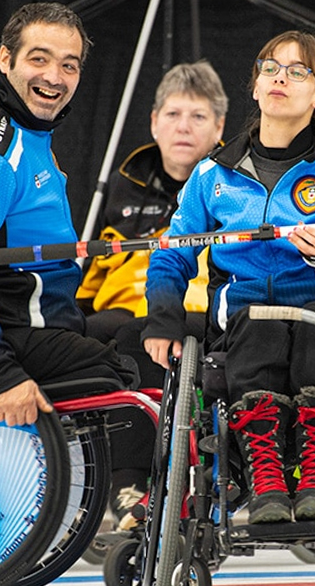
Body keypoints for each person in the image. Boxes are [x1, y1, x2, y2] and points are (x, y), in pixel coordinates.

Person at [141, 30, 315, 524]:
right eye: (271, 68)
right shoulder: (211, 175)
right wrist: (164, 318)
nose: (281, 77)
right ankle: (266, 478)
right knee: (257, 325)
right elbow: (171, 255)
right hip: (242, 324)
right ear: (256, 88)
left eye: (298, 71)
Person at [0, 2, 150, 497]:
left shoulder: (27, 133)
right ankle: (132, 503)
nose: (54, 77)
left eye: (69, 65)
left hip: (33, 316)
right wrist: (0, 371)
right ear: (5, 59)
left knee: (147, 334)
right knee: (135, 379)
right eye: (39, 59)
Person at [75, 60, 226, 534]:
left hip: (197, 307)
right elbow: (94, 270)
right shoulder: (122, 185)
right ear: (154, 122)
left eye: (198, 116)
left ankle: (131, 484)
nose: (184, 127)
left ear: (219, 127)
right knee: (72, 336)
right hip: (121, 306)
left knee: (134, 336)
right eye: (174, 114)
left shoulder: (232, 183)